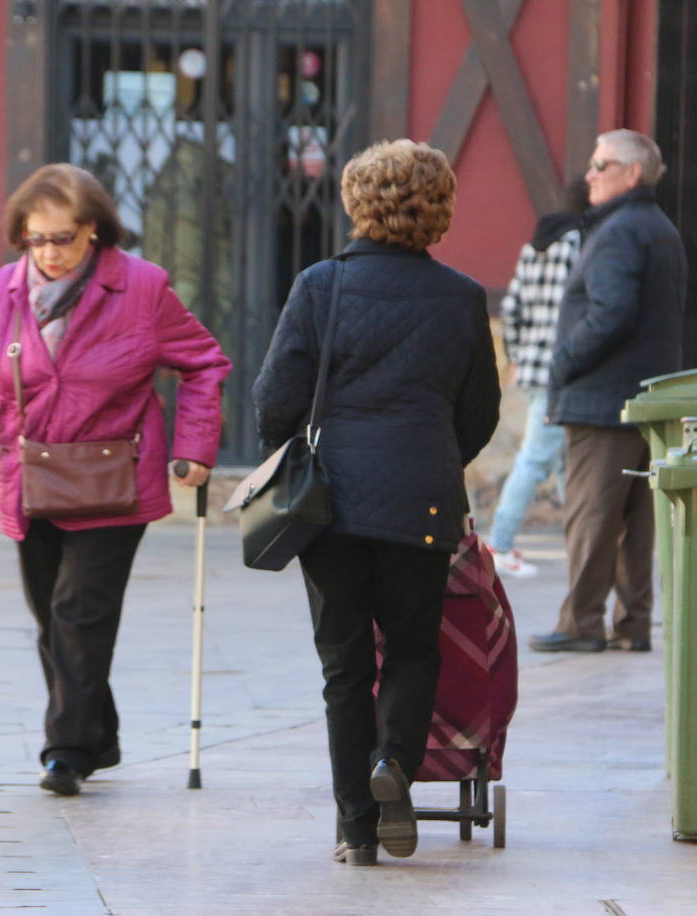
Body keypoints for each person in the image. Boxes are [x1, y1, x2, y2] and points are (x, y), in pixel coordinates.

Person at [0, 163, 232, 795]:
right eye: (35, 239)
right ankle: (100, 732)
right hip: (31, 477)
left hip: (112, 479)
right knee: (51, 619)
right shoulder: (4, 291)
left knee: (77, 612)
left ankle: (65, 750)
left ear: (92, 230)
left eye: (61, 238)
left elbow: (203, 362)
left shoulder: (143, 289)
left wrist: (193, 447)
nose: (48, 253)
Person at [253, 139, 500, 865]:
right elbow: (479, 411)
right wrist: (432, 458)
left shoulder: (319, 285)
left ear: (356, 202)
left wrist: (294, 448)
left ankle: (356, 828)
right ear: (440, 209)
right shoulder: (460, 297)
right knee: (414, 647)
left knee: (345, 666)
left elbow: (274, 399)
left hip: (330, 501)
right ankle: (394, 760)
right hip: (421, 498)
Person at [529, 129, 686, 653]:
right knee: (635, 523)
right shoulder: (659, 227)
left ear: (632, 174)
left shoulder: (619, 231)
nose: (589, 174)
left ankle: (581, 622)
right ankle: (632, 623)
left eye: (602, 164)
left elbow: (610, 313)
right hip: (644, 398)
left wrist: (564, 361)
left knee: (593, 516)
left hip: (603, 399)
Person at [487, 180, 589, 578]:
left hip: (531, 365)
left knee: (564, 460)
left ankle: (580, 545)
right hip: (561, 368)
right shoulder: (581, 245)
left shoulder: (536, 245)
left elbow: (511, 308)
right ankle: (501, 542)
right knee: (536, 458)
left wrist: (515, 354)